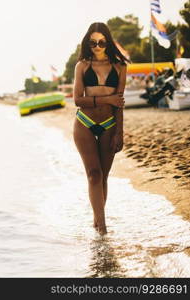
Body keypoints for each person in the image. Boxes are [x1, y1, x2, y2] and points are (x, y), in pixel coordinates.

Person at [72, 22, 129, 234]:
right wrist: (108, 98)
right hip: (84, 124)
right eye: (93, 42)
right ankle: (103, 230)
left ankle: (97, 221)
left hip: (109, 125)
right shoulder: (82, 66)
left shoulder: (120, 66)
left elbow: (119, 103)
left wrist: (119, 132)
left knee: (103, 176)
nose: (97, 46)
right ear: (88, 42)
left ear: (108, 42)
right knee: (94, 175)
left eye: (101, 42)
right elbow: (78, 100)